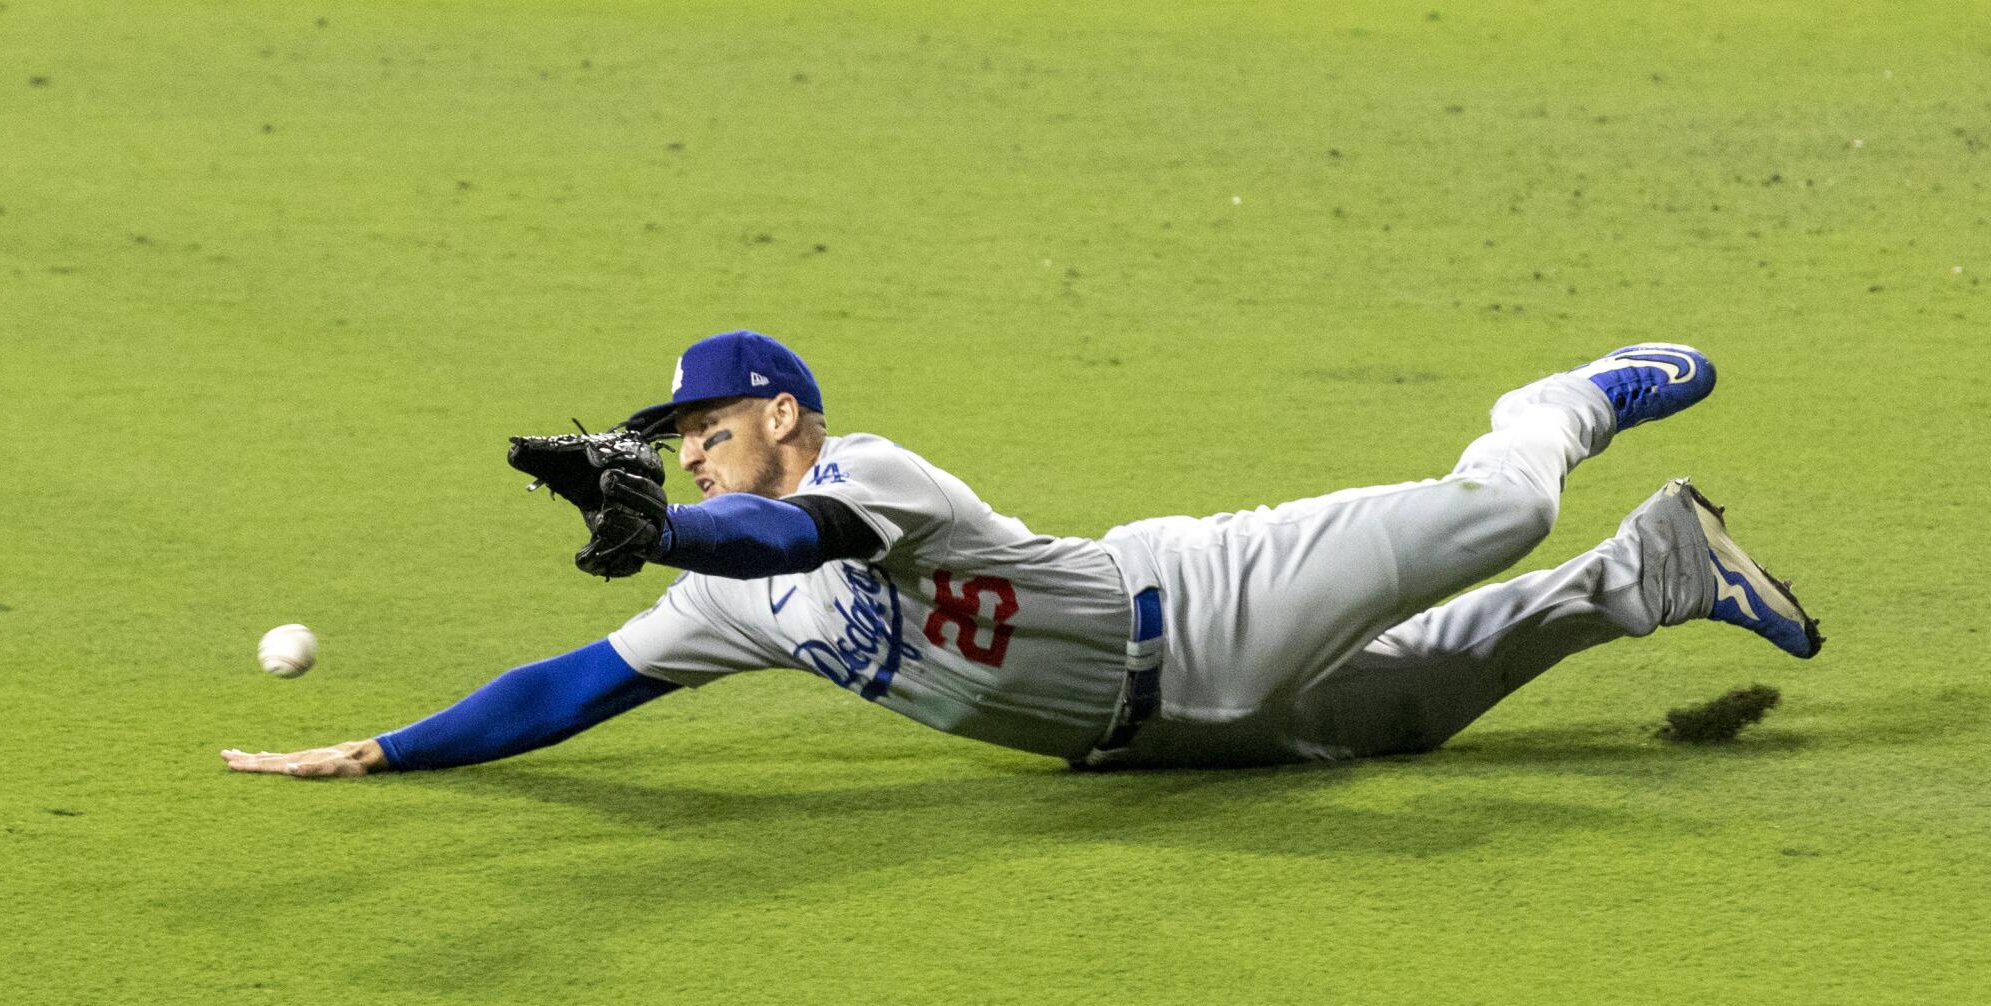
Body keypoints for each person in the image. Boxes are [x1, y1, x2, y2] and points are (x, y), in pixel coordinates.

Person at [222, 331, 1822, 779]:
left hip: (1198, 595)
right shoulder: (729, 599)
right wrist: (391, 746)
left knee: (1495, 514)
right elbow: (574, 683)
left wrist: (680, 529)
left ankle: (1559, 405)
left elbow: (802, 529)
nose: (686, 446)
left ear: (783, 410)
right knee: (1417, 715)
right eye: (673, 435)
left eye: (706, 421)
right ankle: (1654, 572)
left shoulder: (867, 472)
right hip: (1157, 748)